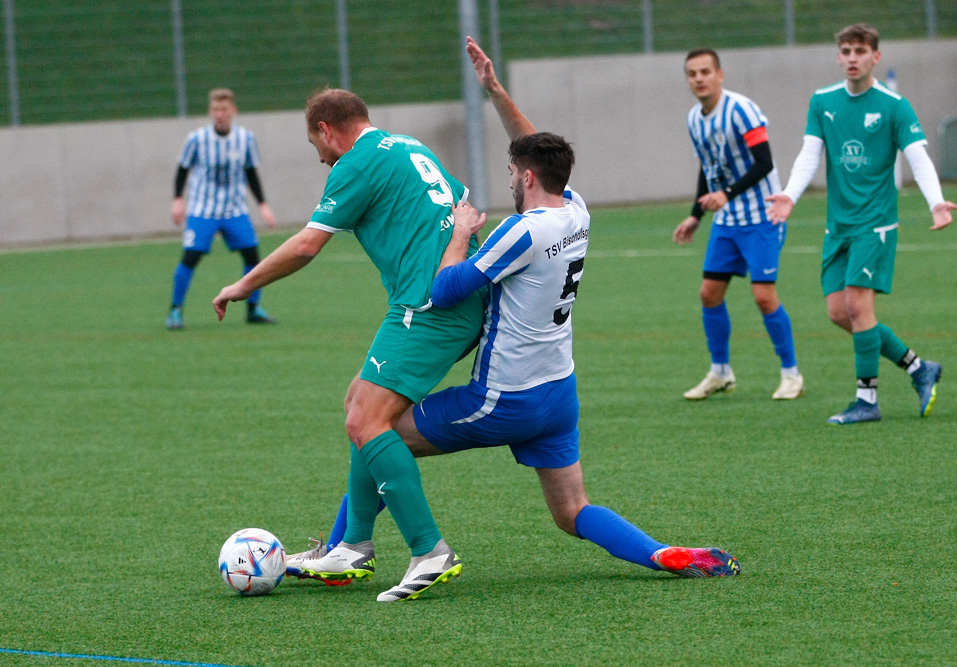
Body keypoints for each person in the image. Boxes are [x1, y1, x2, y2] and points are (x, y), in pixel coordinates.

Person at [287, 37, 740, 589]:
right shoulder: (576, 211)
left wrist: (458, 234)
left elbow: (449, 288)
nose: (507, 175)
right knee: (573, 511)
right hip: (559, 390)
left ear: (525, 178)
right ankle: (664, 553)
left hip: (506, 398)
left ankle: (372, 548)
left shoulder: (517, 233)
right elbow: (535, 149)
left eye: (511, 170)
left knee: (371, 425)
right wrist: (496, 91)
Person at [212, 88, 487, 601]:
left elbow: (307, 245)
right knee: (357, 400)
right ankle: (353, 544)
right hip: (451, 295)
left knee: (365, 420)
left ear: (325, 130)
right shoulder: (409, 147)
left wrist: (244, 284)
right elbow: (467, 208)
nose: (318, 156)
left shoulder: (353, 164)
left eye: (314, 142)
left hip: (427, 308)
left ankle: (430, 550)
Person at [766, 23, 957, 424]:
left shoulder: (894, 105)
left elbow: (917, 156)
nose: (853, 58)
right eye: (846, 51)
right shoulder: (823, 101)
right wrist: (790, 194)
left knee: (857, 305)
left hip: (876, 224)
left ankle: (866, 400)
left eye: (860, 51)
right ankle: (919, 368)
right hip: (838, 226)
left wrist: (936, 203)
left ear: (876, 57)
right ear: (838, 57)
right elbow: (809, 154)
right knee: (839, 313)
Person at [673, 49, 803, 401]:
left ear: (720, 74)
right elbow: (709, 167)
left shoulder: (741, 109)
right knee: (709, 293)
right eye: (692, 73)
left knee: (764, 297)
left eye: (705, 71)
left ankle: (792, 374)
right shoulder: (694, 119)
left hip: (762, 215)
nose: (698, 78)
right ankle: (721, 372)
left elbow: (763, 162)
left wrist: (727, 194)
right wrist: (695, 216)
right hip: (727, 221)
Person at [167, 88, 277, 330]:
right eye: (215, 109)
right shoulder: (196, 139)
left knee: (253, 256)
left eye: (224, 109)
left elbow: (251, 173)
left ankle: (253, 309)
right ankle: (175, 310)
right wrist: (177, 200)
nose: (219, 114)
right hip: (202, 209)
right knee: (191, 257)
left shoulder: (246, 139)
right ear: (210, 111)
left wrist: (263, 205)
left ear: (233, 111)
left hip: (234, 209)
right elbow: (182, 170)